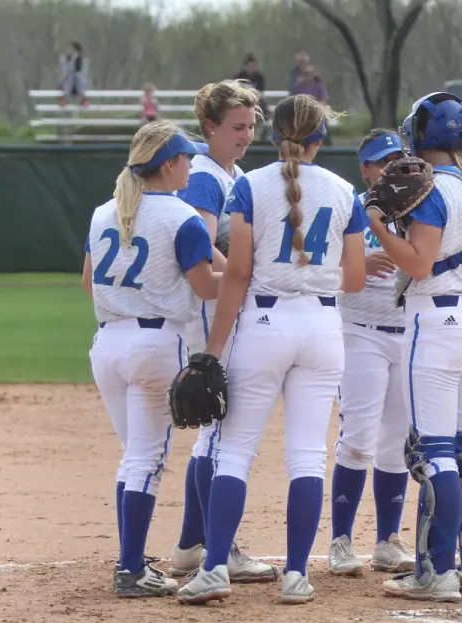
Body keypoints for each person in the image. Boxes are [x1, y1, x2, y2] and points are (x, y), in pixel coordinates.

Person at [176, 94, 369, 605]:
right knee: (307, 456)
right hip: (324, 325)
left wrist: (213, 349)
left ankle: (215, 568)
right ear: (319, 139)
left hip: (263, 321)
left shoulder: (248, 185)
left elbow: (236, 273)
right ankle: (297, 575)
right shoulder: (346, 191)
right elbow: (353, 278)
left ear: (272, 134)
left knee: (235, 452)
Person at [365, 92, 462, 602]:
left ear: (420, 134)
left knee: (436, 453)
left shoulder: (430, 186)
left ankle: (436, 571)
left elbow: (418, 264)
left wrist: (379, 224)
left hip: (438, 321)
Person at [80, 121, 219, 597]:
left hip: (107, 345)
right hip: (155, 345)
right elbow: (205, 288)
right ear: (168, 164)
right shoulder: (182, 216)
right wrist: (247, 283)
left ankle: (132, 560)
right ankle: (131, 570)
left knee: (134, 457)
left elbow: (87, 283)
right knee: (146, 459)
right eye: (185, 159)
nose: (191, 166)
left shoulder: (105, 212)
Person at [166, 79, 277, 585]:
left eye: (252, 125)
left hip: (227, 303)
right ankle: (216, 544)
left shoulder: (234, 173)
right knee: (219, 426)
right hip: (216, 308)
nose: (246, 134)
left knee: (214, 428)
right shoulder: (207, 176)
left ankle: (193, 543)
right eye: (236, 126)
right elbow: (201, 242)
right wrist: (239, 272)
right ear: (208, 126)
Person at [326, 129, 416, 578]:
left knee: (396, 442)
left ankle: (387, 540)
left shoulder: (420, 207)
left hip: (407, 332)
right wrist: (357, 266)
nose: (389, 168)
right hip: (360, 332)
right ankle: (341, 540)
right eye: (381, 162)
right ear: (365, 169)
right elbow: (322, 267)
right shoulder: (351, 208)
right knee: (359, 436)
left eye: (398, 159)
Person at [233, 54, 270, 141]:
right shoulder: (239, 77)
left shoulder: (259, 77)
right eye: (251, 65)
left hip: (256, 101)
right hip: (241, 101)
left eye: (255, 65)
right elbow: (234, 91)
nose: (253, 67)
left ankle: (261, 135)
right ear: (246, 66)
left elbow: (260, 92)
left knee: (264, 109)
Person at [59, 41, 89, 107]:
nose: (70, 51)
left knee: (77, 76)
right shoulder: (65, 59)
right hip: (68, 83)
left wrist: (75, 59)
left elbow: (83, 73)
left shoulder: (82, 60)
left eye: (72, 49)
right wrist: (72, 60)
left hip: (78, 83)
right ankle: (64, 99)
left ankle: (84, 99)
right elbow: (66, 70)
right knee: (71, 76)